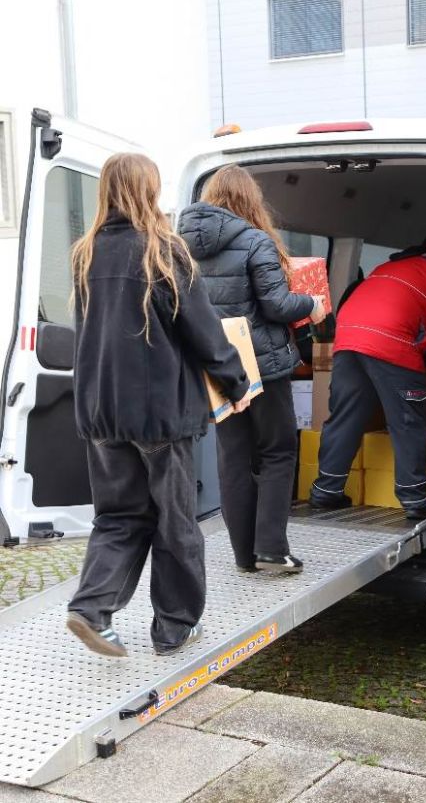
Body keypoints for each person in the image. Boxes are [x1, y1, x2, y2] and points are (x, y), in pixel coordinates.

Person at [66, 153, 251, 658]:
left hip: (101, 412)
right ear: (149, 189)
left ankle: (91, 608)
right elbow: (204, 331)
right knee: (176, 522)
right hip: (161, 416)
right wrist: (236, 385)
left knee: (118, 516)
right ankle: (174, 627)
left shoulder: (85, 252)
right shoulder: (163, 249)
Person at [179, 165, 326, 574]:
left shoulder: (181, 246)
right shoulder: (254, 240)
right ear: (249, 199)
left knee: (234, 458)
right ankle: (272, 549)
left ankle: (245, 555)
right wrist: (311, 304)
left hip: (215, 365)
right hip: (262, 366)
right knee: (278, 451)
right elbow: (276, 305)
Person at [310, 229, 426, 520]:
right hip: (391, 337)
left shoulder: (388, 265)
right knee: (407, 420)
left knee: (345, 415)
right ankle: (415, 500)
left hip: (348, 334)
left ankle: (325, 491)